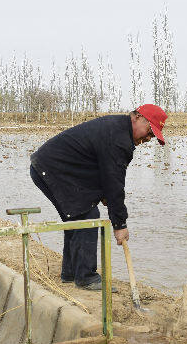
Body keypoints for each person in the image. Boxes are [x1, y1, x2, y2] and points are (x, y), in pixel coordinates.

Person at [30, 105, 168, 290]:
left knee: (77, 216)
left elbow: (103, 171)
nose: (148, 139)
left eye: (152, 137)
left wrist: (104, 195)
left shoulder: (119, 130)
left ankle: (70, 274)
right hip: (52, 169)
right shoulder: (119, 139)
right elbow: (114, 184)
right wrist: (120, 225)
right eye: (150, 132)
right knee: (87, 215)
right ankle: (86, 277)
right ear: (137, 117)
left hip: (53, 167)